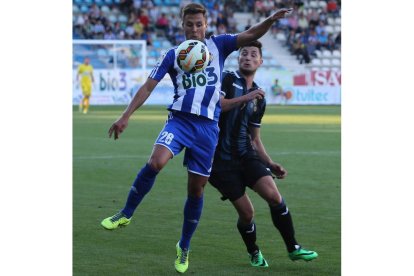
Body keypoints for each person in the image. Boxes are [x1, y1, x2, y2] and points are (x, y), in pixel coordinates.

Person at [100, 3, 293, 274]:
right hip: (180, 120)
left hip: (208, 129)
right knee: (156, 162)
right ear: (183, 25)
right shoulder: (173, 54)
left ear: (206, 24)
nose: (194, 29)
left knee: (196, 189)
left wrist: (271, 20)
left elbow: (249, 35)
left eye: (199, 24)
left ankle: (184, 246)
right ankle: (126, 213)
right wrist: (125, 115)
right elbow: (147, 86)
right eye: (189, 24)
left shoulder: (220, 45)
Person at [209, 40, 318, 268]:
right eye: (244, 54)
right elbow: (219, 105)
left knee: (275, 197)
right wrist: (246, 97)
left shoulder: (260, 98)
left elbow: (255, 138)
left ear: (260, 61)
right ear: (238, 59)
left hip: (246, 155)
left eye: (253, 54)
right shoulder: (227, 79)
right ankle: (254, 251)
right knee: (247, 214)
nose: (248, 57)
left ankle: (294, 248)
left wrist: (270, 162)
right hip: (220, 162)